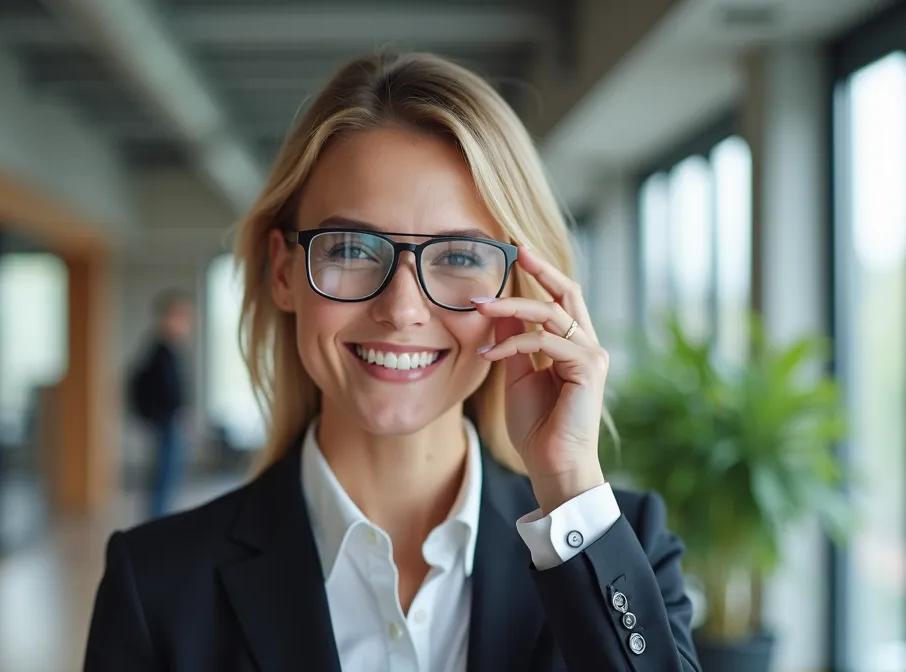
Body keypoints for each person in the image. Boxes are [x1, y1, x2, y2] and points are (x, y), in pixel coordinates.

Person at [86, 52, 699, 671]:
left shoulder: (617, 547)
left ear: (521, 289)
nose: (402, 308)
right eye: (352, 247)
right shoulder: (157, 585)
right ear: (282, 273)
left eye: (459, 256)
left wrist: (568, 483)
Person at [126, 290, 193, 519]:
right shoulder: (158, 352)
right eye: (181, 317)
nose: (186, 324)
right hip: (166, 422)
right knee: (164, 478)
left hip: (169, 421)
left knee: (168, 477)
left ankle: (159, 520)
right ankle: (156, 522)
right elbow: (145, 386)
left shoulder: (169, 351)